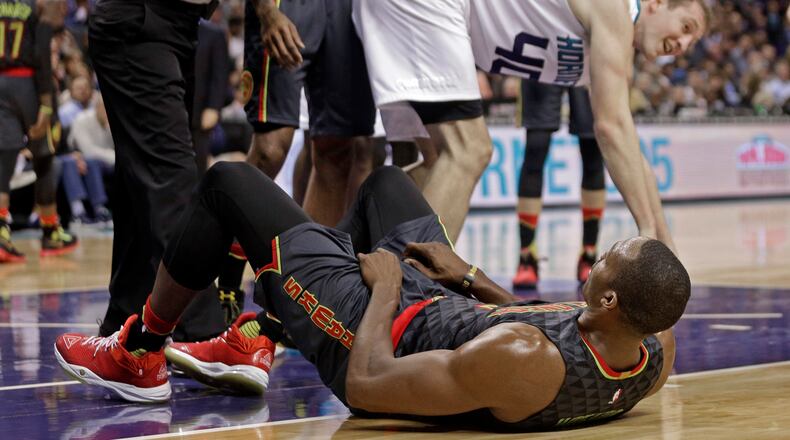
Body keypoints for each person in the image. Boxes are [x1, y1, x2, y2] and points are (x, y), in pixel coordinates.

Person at [55, 163, 687, 431]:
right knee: (388, 183)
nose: (600, 256)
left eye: (608, 259)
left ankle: (139, 353)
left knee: (228, 183)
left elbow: (367, 388)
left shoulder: (526, 361)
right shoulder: (651, 349)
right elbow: (545, 321)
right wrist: (467, 276)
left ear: (609, 300)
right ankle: (263, 336)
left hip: (368, 329)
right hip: (437, 307)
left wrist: (384, 287)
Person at [353, 0, 710, 248]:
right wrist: (647, 230)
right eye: (685, 27)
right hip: (429, 12)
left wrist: (664, 236)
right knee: (469, 151)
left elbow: (628, 140)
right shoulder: (617, 11)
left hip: (424, 19)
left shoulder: (618, 48)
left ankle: (354, 275)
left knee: (431, 164)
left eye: (692, 42)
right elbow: (611, 128)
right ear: (656, 4)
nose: (682, 44)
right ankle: (409, 303)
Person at [88, 0, 279, 341]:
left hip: (180, 25)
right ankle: (201, 333)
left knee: (139, 182)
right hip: (143, 19)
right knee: (173, 180)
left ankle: (126, 320)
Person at [0, 0, 78, 263]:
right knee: (44, 156)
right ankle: (50, 231)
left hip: (1, 84)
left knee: (4, 157)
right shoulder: (37, 5)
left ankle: (1, 233)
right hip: (29, 84)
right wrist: (46, 102)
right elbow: (42, 54)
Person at [513, 83, 605, 288]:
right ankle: (526, 257)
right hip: (544, 55)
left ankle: (589, 253)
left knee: (592, 153)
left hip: (586, 58)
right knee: (535, 148)